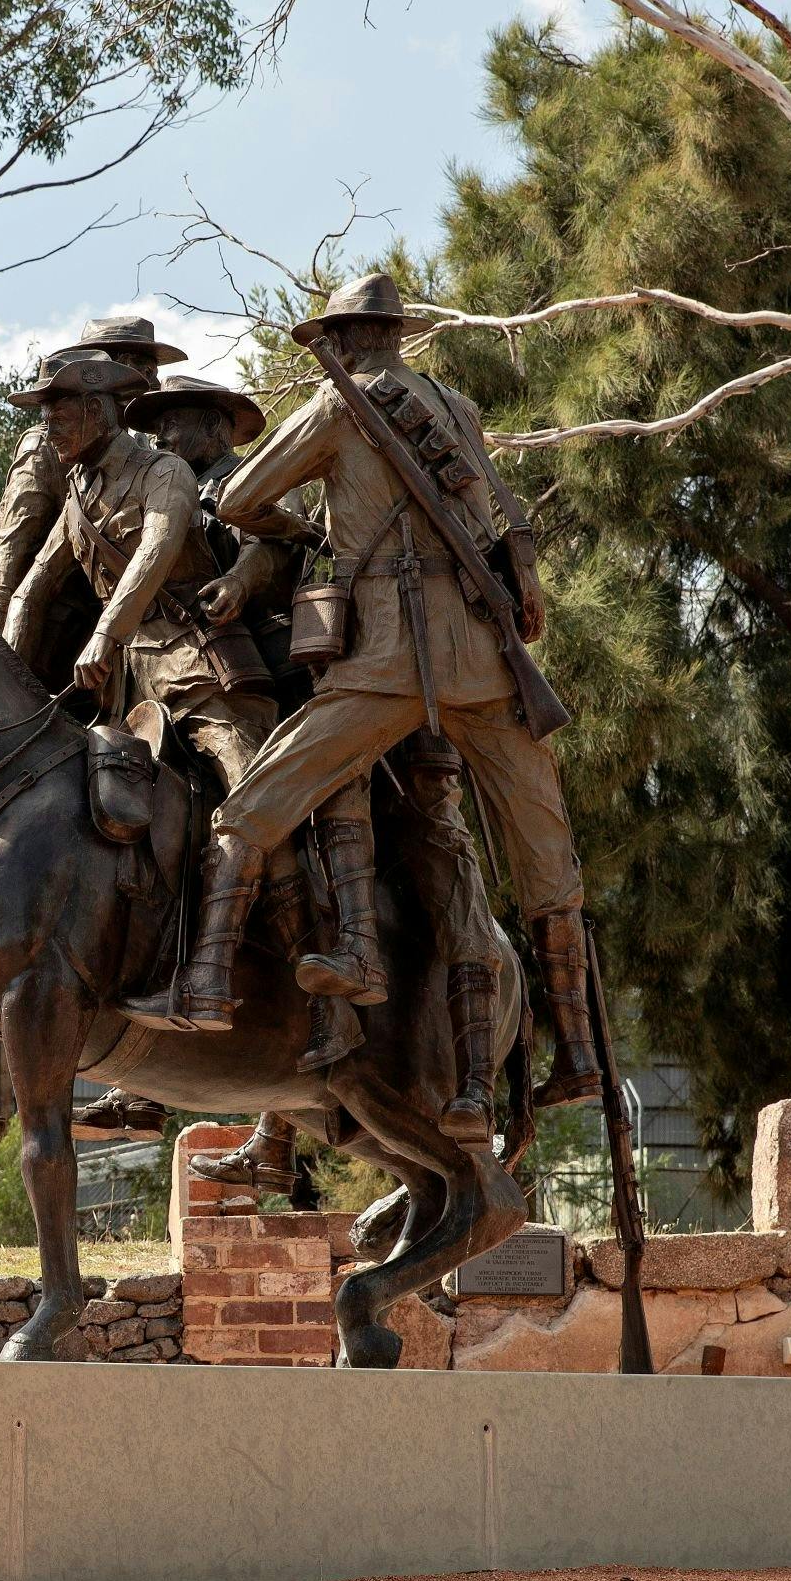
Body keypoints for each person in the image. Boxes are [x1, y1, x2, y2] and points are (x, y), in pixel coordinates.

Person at [178, 272, 602, 1107]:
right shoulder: (456, 405)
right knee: (549, 862)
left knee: (250, 807)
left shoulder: (337, 407)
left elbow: (237, 497)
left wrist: (307, 530)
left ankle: (205, 982)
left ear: (340, 338)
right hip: (483, 661)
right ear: (396, 333)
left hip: (384, 660)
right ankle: (578, 1052)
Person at [0, 353, 317, 1037]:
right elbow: (35, 586)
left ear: (98, 410)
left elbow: (156, 551)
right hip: (130, 687)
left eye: (59, 413)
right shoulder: (80, 491)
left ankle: (301, 986)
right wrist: (2, 679)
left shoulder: (163, 473)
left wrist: (104, 634)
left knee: (250, 799)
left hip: (203, 666)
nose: (48, 428)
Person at [0, 315, 187, 644]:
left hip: (120, 619)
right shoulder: (44, 446)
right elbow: (14, 538)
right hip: (54, 626)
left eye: (152, 373)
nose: (154, 384)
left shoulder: (145, 453)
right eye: (145, 372)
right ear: (109, 373)